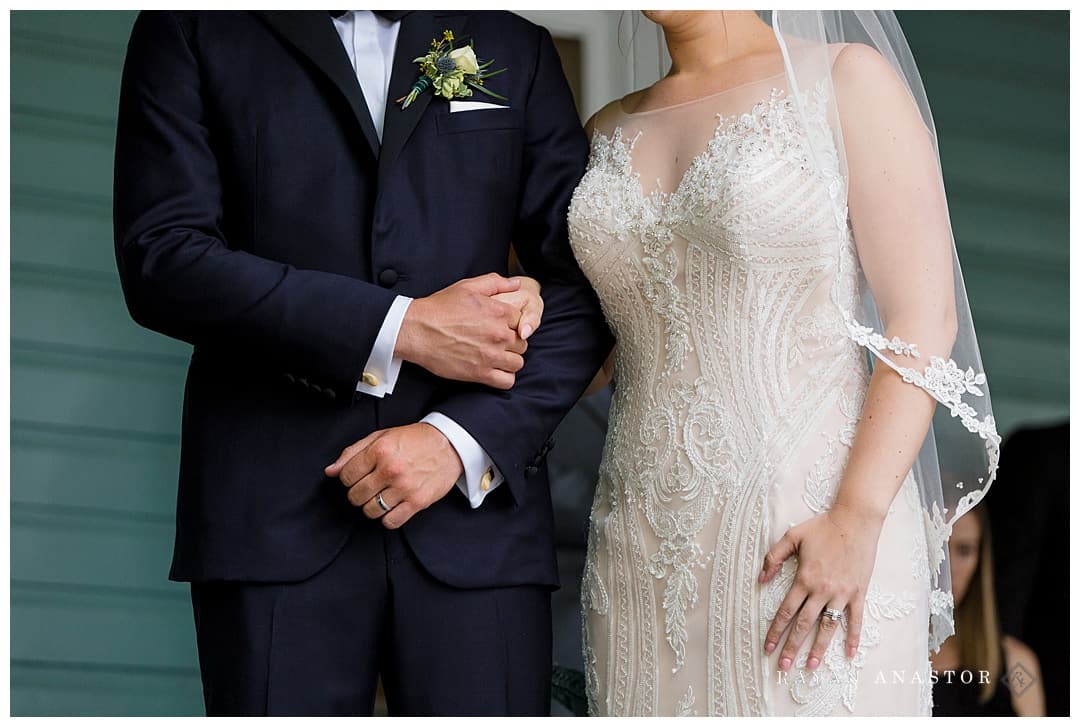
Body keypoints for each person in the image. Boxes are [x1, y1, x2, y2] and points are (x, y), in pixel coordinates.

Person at [113, 10, 612, 716]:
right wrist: (400, 327)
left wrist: (457, 440)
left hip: (476, 523)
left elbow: (586, 285)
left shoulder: (510, 44)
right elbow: (162, 257)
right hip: (271, 515)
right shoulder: (191, 27)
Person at [567, 10, 999, 716]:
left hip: (810, 534)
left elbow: (925, 316)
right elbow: (596, 347)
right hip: (640, 553)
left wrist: (856, 518)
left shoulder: (845, 81)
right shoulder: (605, 129)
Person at [930, 504, 1044, 716]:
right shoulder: (886, 662)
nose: (949, 567)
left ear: (979, 560)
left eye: (964, 550)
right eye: (938, 547)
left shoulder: (1017, 666)